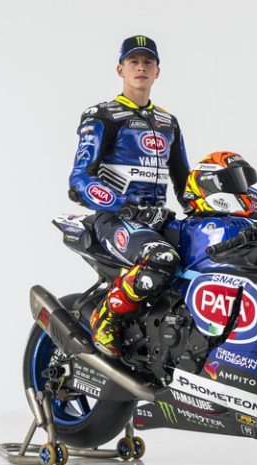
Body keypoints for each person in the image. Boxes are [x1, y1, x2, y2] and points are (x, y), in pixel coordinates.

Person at [68, 35, 190, 358]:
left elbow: (185, 184)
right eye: (133, 61)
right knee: (162, 259)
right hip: (114, 220)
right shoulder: (103, 116)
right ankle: (105, 319)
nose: (141, 67)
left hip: (158, 221)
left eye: (148, 62)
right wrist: (125, 206)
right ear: (120, 69)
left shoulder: (168, 122)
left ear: (157, 71)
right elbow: (80, 180)